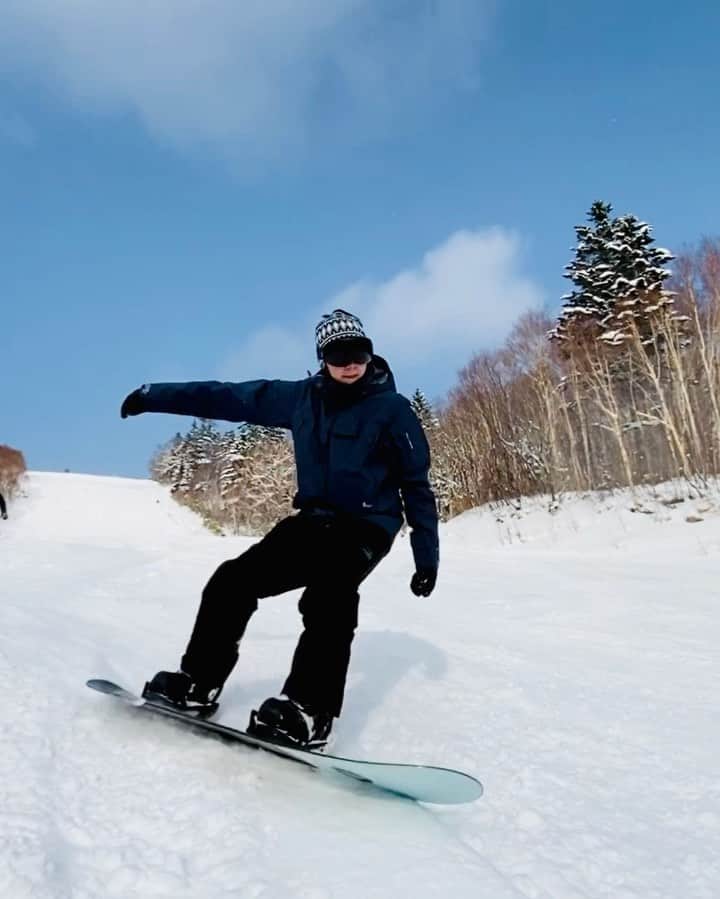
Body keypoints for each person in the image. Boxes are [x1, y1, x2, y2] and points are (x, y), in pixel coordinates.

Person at [120, 309, 439, 749]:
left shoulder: (393, 410)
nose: (351, 364)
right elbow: (225, 397)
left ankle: (310, 710)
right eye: (339, 355)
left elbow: (416, 486)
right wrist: (152, 396)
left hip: (366, 527)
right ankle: (198, 683)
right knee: (232, 581)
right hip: (313, 522)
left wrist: (427, 556)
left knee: (329, 595)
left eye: (359, 354)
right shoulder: (300, 399)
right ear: (323, 358)